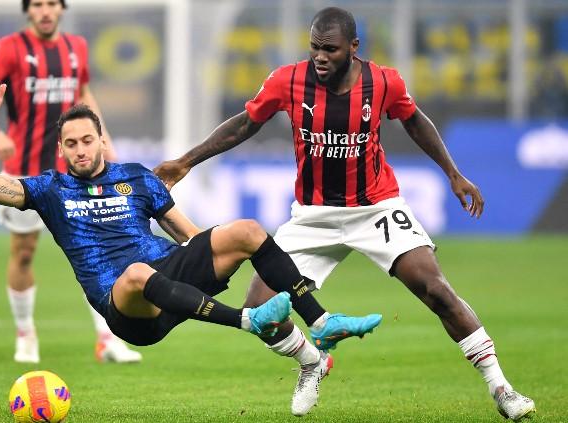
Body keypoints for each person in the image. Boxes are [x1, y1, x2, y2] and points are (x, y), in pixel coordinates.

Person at [154, 7, 535, 421]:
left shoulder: (384, 81)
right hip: (312, 216)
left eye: (330, 49)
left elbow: (415, 121)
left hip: (376, 207)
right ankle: (312, 361)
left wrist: (453, 173)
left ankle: (501, 388)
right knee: (262, 310)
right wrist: (187, 161)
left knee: (436, 289)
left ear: (353, 48)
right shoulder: (288, 80)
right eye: (315, 47)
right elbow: (245, 124)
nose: (320, 56)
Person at [0, 68, 379, 414]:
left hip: (172, 279)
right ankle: (247, 320)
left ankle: (320, 328)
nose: (80, 150)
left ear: (101, 140)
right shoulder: (49, 190)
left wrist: (223, 255)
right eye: (71, 144)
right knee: (135, 273)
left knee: (247, 231)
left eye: (87, 140)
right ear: (61, 149)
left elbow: (190, 235)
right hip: (129, 308)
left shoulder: (137, 178)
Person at [0, 0, 141, 364]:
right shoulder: (10, 48)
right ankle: (26, 334)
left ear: (62, 8)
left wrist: (102, 137)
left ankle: (108, 339)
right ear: (28, 10)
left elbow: (84, 93)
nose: (45, 11)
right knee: (24, 252)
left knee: (97, 251)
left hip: (72, 173)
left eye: (52, 4)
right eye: (38, 4)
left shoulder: (76, 47)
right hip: (24, 173)